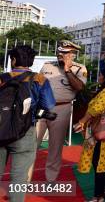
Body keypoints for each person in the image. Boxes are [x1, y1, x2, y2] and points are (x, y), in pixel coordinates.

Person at [0, 45, 56, 202]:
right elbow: (49, 105)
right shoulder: (39, 79)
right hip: (25, 130)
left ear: (14, 59)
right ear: (30, 62)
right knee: (18, 177)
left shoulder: (2, 78)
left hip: (1, 129)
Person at [36, 40, 87, 182]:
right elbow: (38, 84)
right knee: (32, 143)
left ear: (73, 55)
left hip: (61, 108)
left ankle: (50, 180)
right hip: (42, 109)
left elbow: (79, 87)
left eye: (64, 53)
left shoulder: (80, 68)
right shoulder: (47, 66)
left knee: (55, 146)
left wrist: (67, 69)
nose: (60, 54)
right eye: (59, 52)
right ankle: (22, 179)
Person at [74, 67, 105, 202]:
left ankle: (98, 196)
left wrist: (82, 121)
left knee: (99, 162)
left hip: (100, 131)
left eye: (101, 75)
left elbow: (96, 109)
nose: (99, 77)